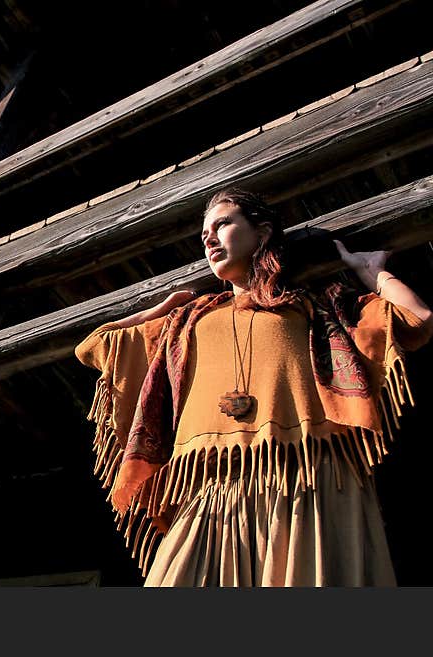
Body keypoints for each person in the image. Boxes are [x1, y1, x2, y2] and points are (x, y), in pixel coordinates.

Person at [75, 188, 433, 586]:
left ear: (262, 233)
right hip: (210, 487)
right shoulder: (189, 320)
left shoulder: (314, 308)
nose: (209, 238)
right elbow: (93, 347)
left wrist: (370, 269)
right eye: (204, 233)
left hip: (310, 476)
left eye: (223, 224)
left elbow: (417, 319)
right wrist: (157, 310)